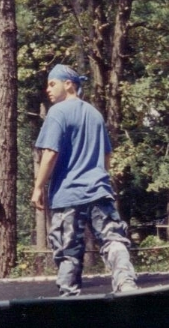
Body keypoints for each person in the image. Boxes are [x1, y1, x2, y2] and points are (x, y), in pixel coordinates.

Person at [31, 65, 137, 296]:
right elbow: (107, 155)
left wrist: (38, 187)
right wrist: (100, 177)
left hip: (68, 195)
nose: (47, 89)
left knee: (68, 250)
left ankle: (69, 297)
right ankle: (126, 283)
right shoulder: (95, 114)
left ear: (68, 84)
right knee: (113, 239)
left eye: (52, 84)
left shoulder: (58, 112)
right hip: (100, 191)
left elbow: (50, 153)